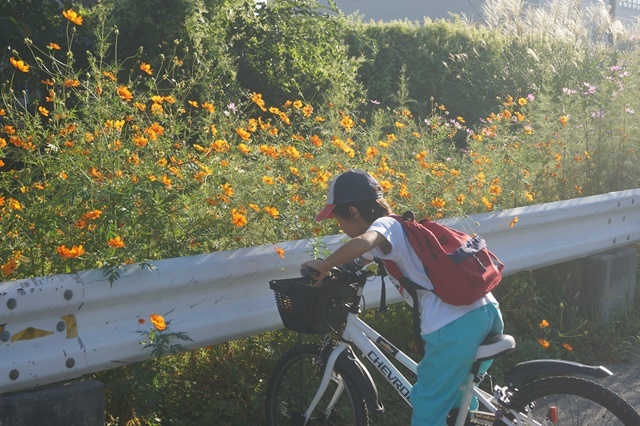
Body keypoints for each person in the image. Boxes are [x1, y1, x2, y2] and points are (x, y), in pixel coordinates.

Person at [302, 169, 504, 425]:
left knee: (426, 406)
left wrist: (325, 265)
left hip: (454, 327)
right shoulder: (398, 229)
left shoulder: (384, 227)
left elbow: (365, 242)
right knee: (457, 397)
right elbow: (360, 259)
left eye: (338, 218)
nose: (339, 226)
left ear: (354, 212)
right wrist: (337, 271)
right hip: (485, 311)